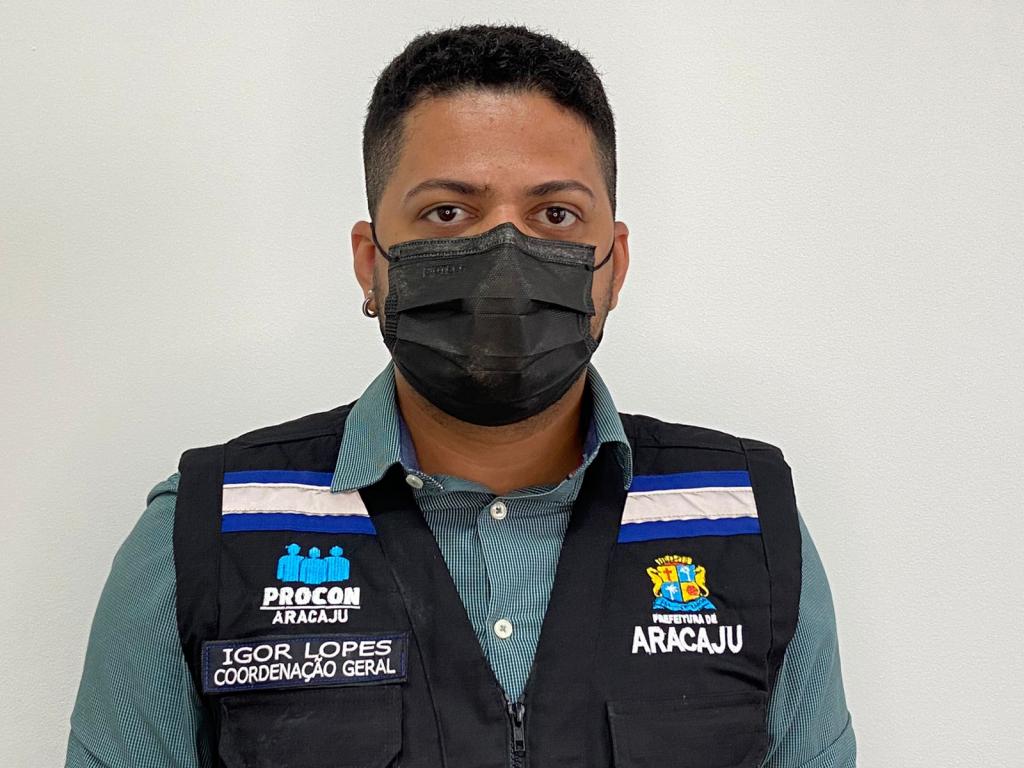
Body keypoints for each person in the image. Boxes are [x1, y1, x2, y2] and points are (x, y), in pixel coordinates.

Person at [65, 23, 856, 767]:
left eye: (555, 214)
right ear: (371, 262)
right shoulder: (208, 532)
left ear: (613, 265)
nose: (505, 258)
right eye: (448, 212)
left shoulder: (747, 526)